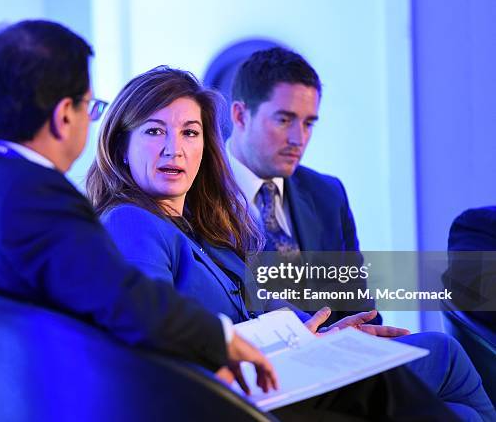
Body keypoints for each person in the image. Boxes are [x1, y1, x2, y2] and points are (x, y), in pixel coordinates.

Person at [86, 65, 473, 421]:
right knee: (443, 355)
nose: (175, 148)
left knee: (451, 394)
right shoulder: (130, 220)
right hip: (242, 396)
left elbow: (266, 304)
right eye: (155, 131)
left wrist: (320, 338)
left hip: (278, 377)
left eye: (190, 132)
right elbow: (152, 338)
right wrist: (293, 349)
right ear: (121, 146)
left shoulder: (199, 227)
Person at [0, 19, 279, 397]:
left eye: (190, 133)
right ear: (65, 116)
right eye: (89, 107)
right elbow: (127, 304)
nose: (173, 149)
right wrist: (223, 341)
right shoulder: (42, 203)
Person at [226, 47, 495, 421]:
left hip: (342, 359)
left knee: (460, 413)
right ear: (240, 115)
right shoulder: (203, 195)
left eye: (309, 123)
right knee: (445, 353)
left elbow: (356, 302)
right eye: (284, 120)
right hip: (276, 372)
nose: (298, 138)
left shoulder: (325, 193)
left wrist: (373, 342)